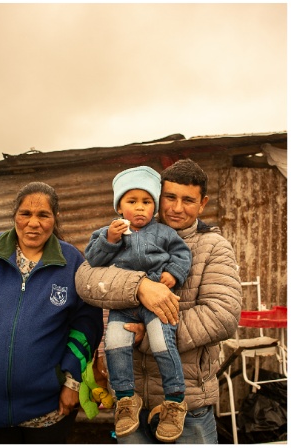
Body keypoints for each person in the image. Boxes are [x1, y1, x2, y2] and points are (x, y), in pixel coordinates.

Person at [75, 158, 242, 444]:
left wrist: (149, 335)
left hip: (188, 406)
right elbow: (85, 279)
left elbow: (222, 315)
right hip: (132, 404)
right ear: (158, 197)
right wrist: (139, 287)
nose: (177, 208)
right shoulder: (125, 235)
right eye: (170, 197)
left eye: (188, 200)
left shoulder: (213, 247)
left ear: (202, 203)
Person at [0, 182, 103, 444]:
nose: (33, 223)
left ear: (55, 218)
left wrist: (72, 382)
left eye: (43, 215)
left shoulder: (71, 262)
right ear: (14, 215)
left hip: (50, 411)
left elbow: (87, 325)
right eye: (25, 214)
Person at [84, 166, 192, 442]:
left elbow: (182, 254)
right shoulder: (108, 232)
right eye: (132, 201)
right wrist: (109, 240)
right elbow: (93, 261)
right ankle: (125, 399)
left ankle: (175, 399)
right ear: (119, 206)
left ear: (154, 206)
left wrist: (174, 272)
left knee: (160, 342)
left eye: (146, 202)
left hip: (157, 304)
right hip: (122, 306)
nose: (140, 208)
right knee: (114, 344)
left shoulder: (164, 233)